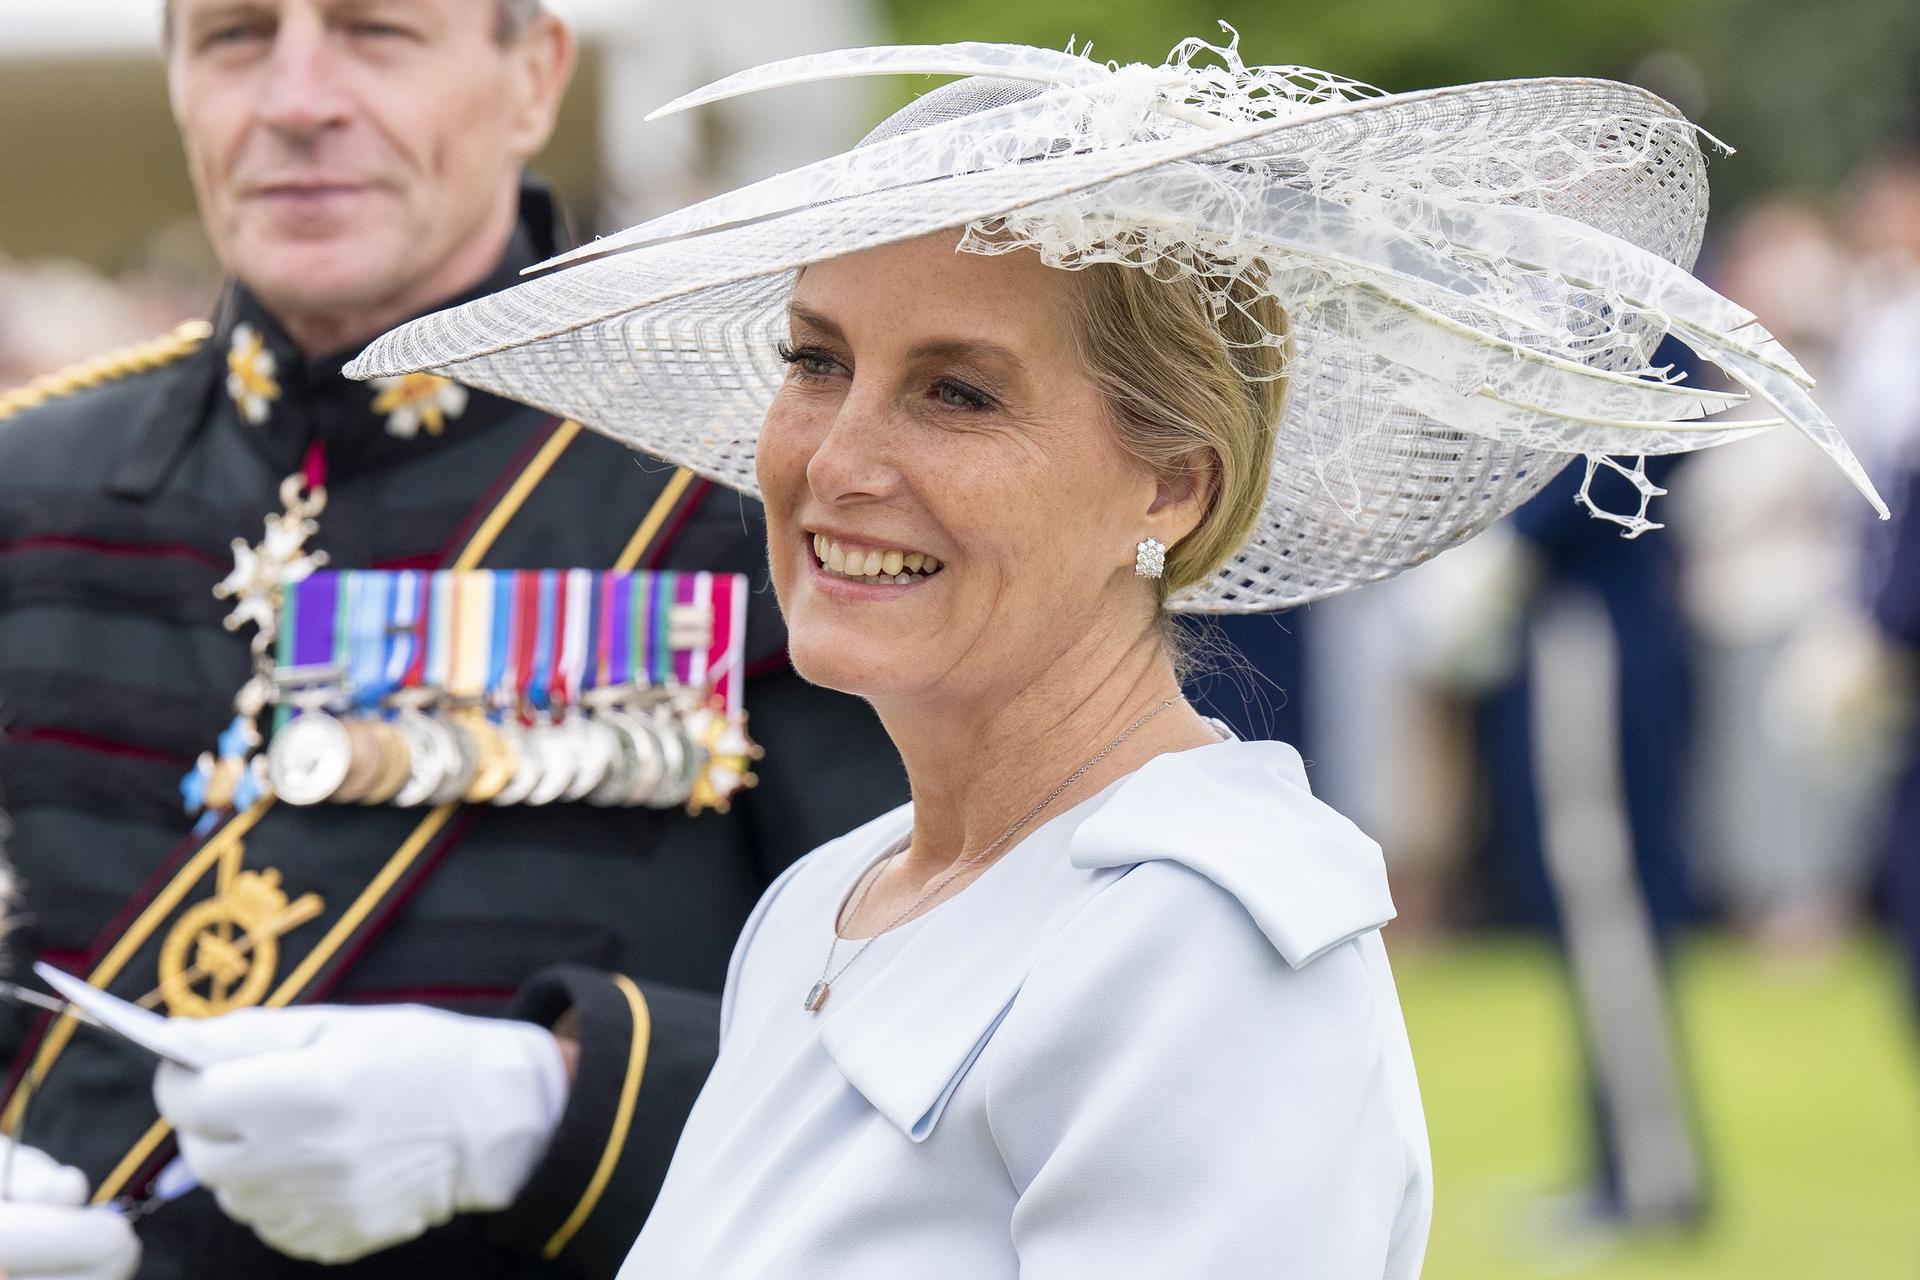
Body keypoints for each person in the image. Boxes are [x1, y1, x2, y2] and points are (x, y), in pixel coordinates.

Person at [356, 34, 1885, 1278]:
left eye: (957, 394)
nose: (839, 459)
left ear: (1172, 485)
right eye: (818, 361)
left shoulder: (1198, 948)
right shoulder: (830, 900)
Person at [0, 3, 901, 1279]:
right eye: (237, 37)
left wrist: (551, 1100)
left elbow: (927, 1026)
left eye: (376, 31)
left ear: (532, 77)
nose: (296, 97)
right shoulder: (27, 492)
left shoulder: (744, 492)